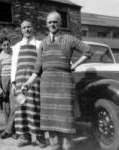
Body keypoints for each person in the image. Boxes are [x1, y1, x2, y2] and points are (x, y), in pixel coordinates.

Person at [23, 12, 92, 150]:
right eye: (49, 22)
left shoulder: (69, 39)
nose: (52, 24)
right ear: (46, 25)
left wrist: (75, 65)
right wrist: (28, 83)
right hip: (47, 85)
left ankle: (67, 145)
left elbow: (88, 51)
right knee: (50, 119)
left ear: (60, 23)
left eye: (55, 22)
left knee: (65, 119)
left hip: (64, 84)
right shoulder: (42, 43)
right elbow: (37, 68)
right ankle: (54, 145)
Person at [11, 20, 45, 147]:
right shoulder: (17, 46)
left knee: (36, 108)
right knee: (21, 108)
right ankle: (25, 137)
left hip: (34, 82)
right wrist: (13, 83)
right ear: (21, 30)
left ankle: (40, 137)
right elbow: (14, 65)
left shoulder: (39, 44)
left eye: (29, 27)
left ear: (33, 28)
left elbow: (41, 63)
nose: (27, 30)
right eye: (24, 28)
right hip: (20, 81)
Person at [0, 37, 15, 139]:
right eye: (4, 45)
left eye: (8, 44)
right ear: (1, 46)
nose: (6, 46)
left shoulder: (14, 54)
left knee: (14, 105)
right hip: (3, 80)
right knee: (6, 106)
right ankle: (10, 130)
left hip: (13, 80)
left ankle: (9, 129)